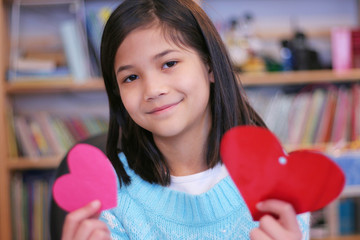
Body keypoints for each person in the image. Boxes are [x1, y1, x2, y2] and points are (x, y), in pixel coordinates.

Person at [61, 0, 310, 239]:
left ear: (209, 65)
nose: (153, 90)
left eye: (169, 63)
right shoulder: (109, 196)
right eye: (131, 78)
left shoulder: (279, 184)